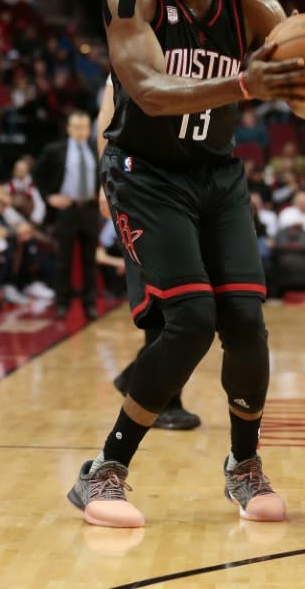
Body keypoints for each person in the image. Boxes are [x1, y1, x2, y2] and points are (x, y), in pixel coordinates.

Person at [67, 0, 305, 529]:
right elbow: (149, 90)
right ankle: (105, 474)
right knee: (189, 321)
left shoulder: (254, 1)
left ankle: (245, 469)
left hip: (217, 177)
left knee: (244, 319)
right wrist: (246, 82)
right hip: (145, 174)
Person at [96, 76, 201, 431]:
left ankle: (136, 378)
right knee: (165, 298)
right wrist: (104, 185)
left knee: (196, 302)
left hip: (192, 186)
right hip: (141, 185)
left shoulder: (200, 53)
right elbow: (107, 120)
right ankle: (164, 399)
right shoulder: (133, 52)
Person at [33, 111, 100, 320]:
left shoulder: (96, 148)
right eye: (77, 127)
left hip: (89, 208)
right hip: (67, 210)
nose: (82, 131)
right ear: (69, 129)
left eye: (85, 127)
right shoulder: (55, 150)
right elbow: (37, 173)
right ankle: (62, 303)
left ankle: (90, 304)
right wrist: (48, 197)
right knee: (63, 260)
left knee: (90, 260)